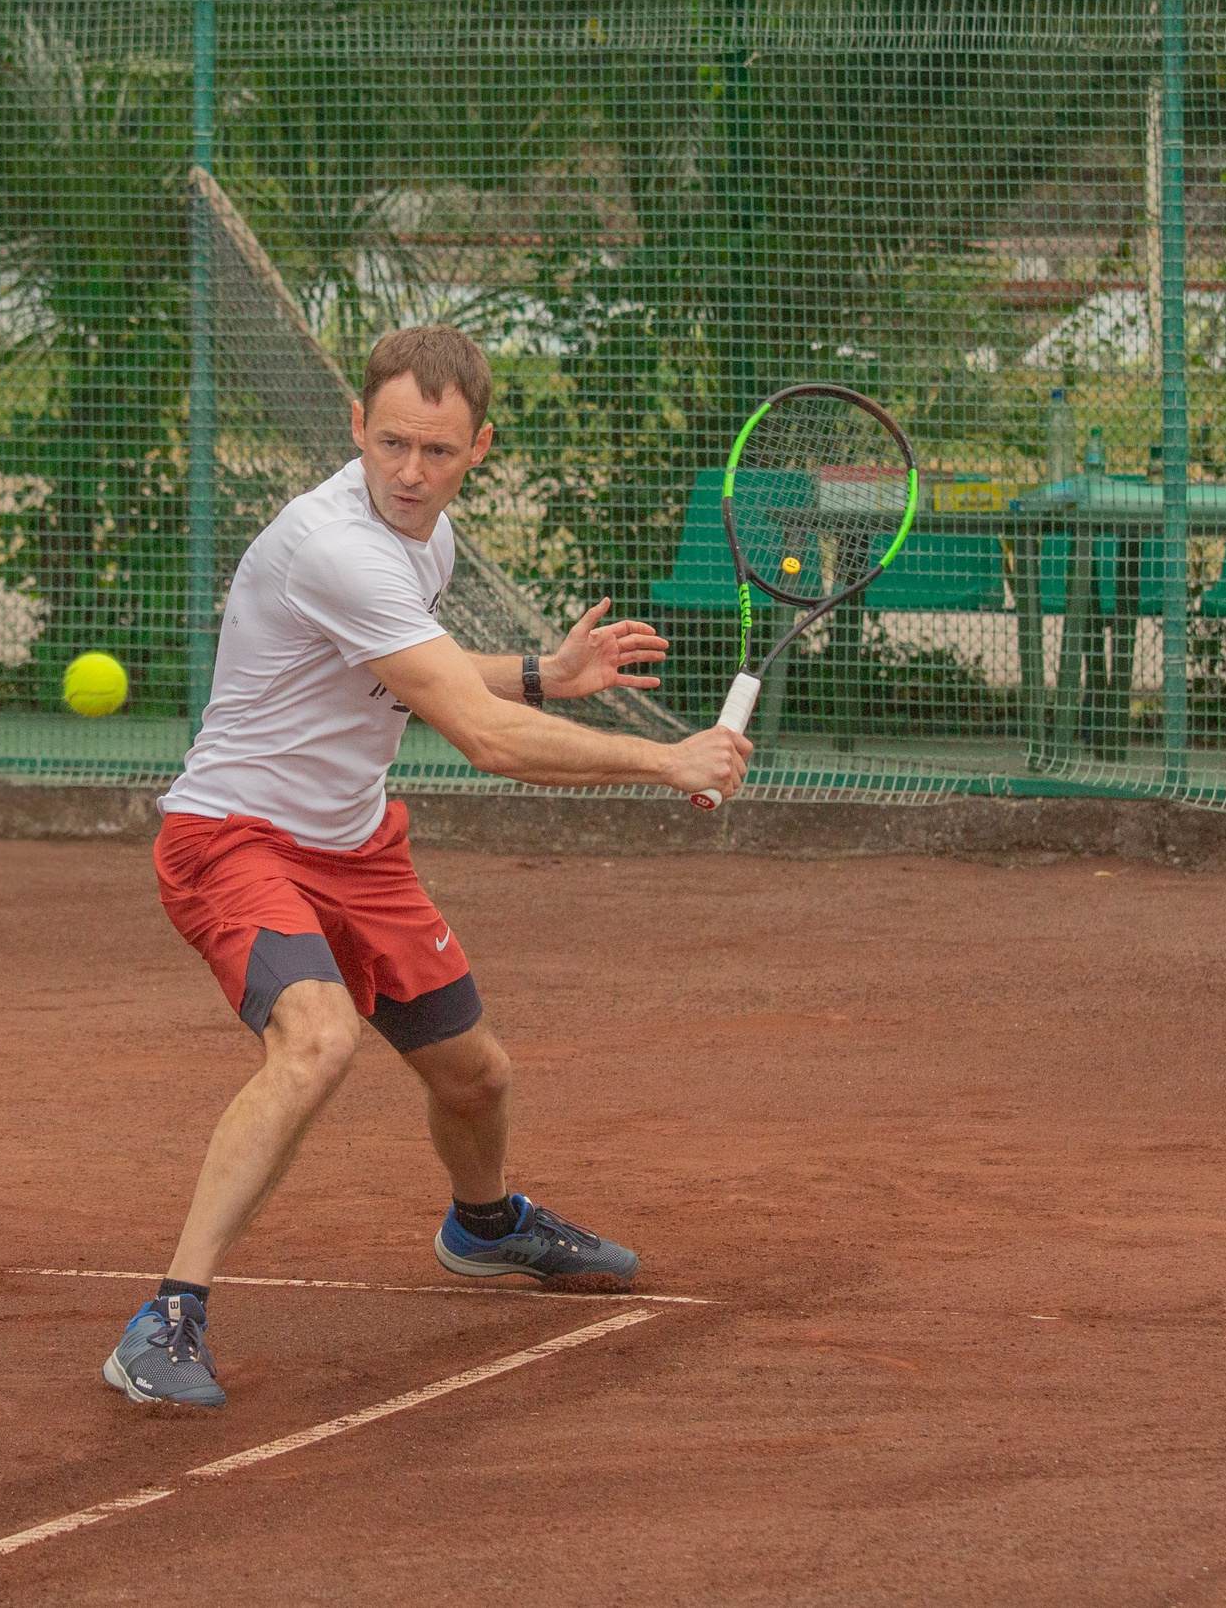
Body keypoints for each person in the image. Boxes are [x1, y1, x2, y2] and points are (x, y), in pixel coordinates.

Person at [104, 325, 751, 1409]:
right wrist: (662, 757)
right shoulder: (333, 543)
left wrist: (543, 672)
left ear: (477, 449)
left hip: (356, 848)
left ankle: (484, 1226)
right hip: (233, 838)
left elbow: (415, 666)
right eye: (392, 443)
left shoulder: (426, 541)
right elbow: (481, 737)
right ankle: (165, 1316)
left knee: (475, 1076)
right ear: (357, 425)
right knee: (317, 1039)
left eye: (438, 452)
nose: (410, 472)